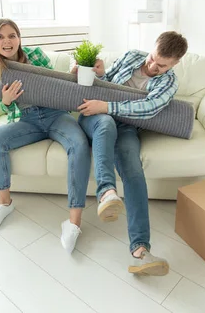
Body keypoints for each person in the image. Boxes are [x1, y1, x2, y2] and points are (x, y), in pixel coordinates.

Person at [75, 31, 188, 275]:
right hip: (96, 116)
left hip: (126, 126)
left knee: (134, 171)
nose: (152, 65)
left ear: (175, 64)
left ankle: (140, 251)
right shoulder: (131, 56)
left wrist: (108, 106)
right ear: (152, 48)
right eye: (152, 58)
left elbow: (147, 109)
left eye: (161, 65)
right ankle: (106, 192)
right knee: (105, 123)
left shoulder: (169, 83)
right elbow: (105, 85)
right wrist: (102, 75)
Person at [0, 18, 91, 254]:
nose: (7, 41)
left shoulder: (35, 55)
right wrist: (6, 101)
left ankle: (73, 222)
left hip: (56, 115)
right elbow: (6, 110)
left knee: (79, 144)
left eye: (12, 35)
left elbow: (55, 86)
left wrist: (72, 75)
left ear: (19, 38)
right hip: (27, 119)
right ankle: (4, 204)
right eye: (0, 37)